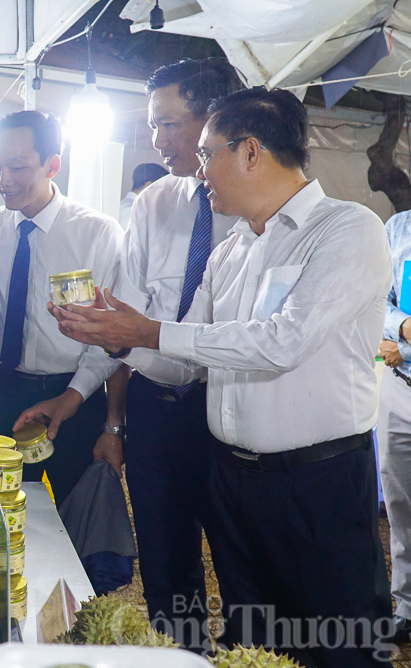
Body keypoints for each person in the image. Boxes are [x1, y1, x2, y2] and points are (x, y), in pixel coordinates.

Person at [53, 87, 393, 667]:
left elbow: (282, 341)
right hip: (236, 480)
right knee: (257, 642)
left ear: (251, 151)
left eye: (209, 155)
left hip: (318, 483)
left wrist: (148, 331)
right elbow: (190, 359)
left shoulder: (345, 230)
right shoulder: (232, 249)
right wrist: (118, 339)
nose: (200, 170)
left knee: (342, 642)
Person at [113, 58, 243, 646]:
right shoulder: (154, 202)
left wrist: (138, 332)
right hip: (156, 405)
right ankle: (180, 655)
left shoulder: (252, 209)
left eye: (168, 123)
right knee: (164, 562)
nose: (157, 139)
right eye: (153, 124)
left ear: (214, 119)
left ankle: (250, 656)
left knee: (242, 561)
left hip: (231, 408)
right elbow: (133, 307)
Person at [0, 110, 126, 506]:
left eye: (17, 167)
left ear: (52, 165)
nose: (3, 180)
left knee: (74, 510)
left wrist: (73, 397)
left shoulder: (96, 231)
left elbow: (112, 335)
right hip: (5, 387)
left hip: (73, 391)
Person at [378, 210, 411, 646]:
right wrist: (401, 326)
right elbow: (377, 297)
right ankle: (405, 605)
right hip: (398, 390)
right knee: (400, 507)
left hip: (400, 360)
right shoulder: (398, 227)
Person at [118, 162, 168, 230]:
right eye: (164, 189)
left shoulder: (125, 206)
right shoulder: (133, 212)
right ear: (148, 186)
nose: (166, 195)